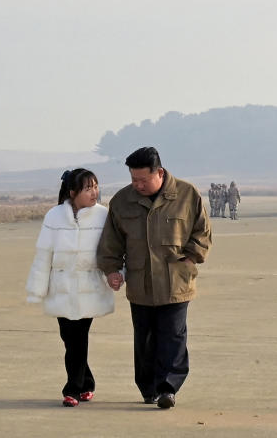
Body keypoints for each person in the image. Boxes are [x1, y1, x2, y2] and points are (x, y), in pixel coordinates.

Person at [97, 147, 212, 410]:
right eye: (133, 180)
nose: (137, 185)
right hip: (141, 283)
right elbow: (111, 241)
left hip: (176, 281)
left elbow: (202, 231)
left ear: (159, 173)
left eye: (143, 180)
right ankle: (148, 388)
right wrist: (112, 270)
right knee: (145, 338)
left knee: (172, 335)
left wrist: (191, 258)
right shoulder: (122, 201)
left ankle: (168, 388)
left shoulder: (186, 194)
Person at [25, 168, 114, 407]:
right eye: (88, 188)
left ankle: (72, 389)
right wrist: (37, 289)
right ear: (72, 192)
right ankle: (87, 381)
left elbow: (111, 252)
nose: (94, 192)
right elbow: (44, 255)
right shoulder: (53, 216)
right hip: (61, 287)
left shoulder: (103, 216)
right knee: (69, 337)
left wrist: (115, 275)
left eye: (96, 186)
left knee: (78, 337)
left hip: (89, 287)